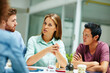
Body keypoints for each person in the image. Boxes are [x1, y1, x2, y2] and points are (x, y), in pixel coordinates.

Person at [0, 0, 29, 73]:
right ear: (3, 21)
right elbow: (20, 70)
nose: (16, 23)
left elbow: (23, 54)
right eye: (13, 21)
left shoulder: (17, 35)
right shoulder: (8, 38)